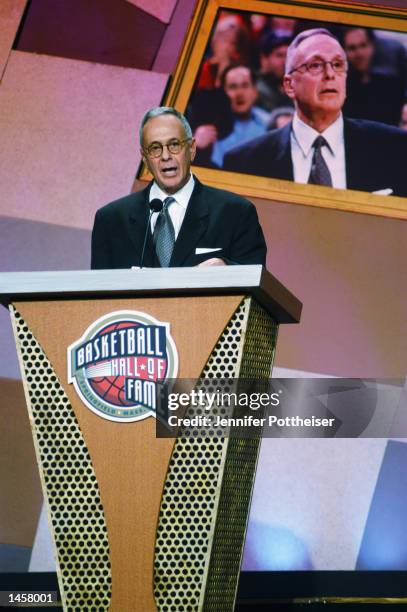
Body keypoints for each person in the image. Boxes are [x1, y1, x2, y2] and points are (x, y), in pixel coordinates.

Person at [224, 28, 407, 197]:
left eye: (337, 64)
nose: (330, 74)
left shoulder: (394, 147)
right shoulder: (244, 163)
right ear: (289, 85)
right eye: (315, 65)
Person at [91, 107, 266, 269]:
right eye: (155, 148)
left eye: (174, 144)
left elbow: (256, 290)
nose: (166, 156)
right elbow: (98, 295)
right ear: (144, 158)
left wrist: (227, 270)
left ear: (192, 149)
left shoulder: (236, 213)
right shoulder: (111, 220)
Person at [194, 66, 270, 168]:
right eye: (233, 87)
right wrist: (196, 146)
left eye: (245, 85)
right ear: (223, 92)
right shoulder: (207, 122)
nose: (239, 93)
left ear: (255, 91)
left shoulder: (269, 123)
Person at [342, 27, 404, 126]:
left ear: (372, 46)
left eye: (363, 45)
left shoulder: (391, 83)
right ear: (344, 51)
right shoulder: (342, 88)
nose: (359, 53)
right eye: (352, 48)